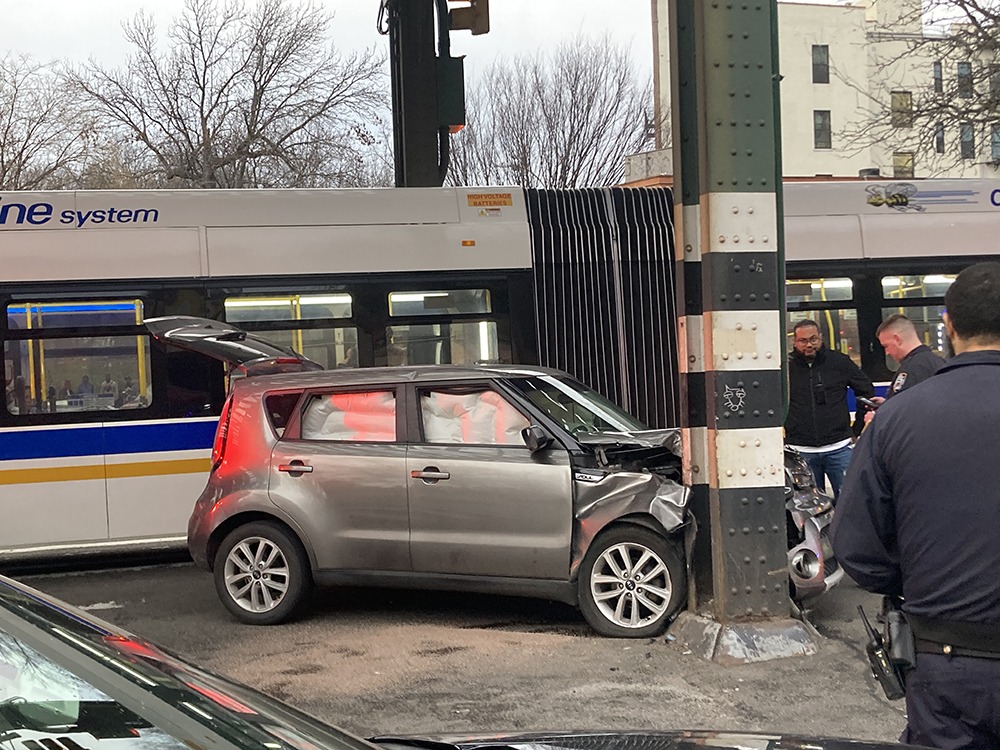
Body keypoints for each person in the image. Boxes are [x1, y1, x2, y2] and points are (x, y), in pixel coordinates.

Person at [831, 262, 1000, 749]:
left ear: (946, 326)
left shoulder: (898, 419)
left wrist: (922, 583)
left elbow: (855, 548)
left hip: (946, 664)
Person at [784, 319, 875, 500]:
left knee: (850, 503)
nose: (809, 344)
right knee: (807, 511)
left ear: (821, 338)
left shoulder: (839, 362)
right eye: (803, 341)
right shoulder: (786, 368)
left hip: (839, 447)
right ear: (794, 342)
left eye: (813, 339)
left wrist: (856, 428)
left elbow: (866, 391)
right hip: (799, 450)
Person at [873, 313, 945, 402]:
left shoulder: (909, 370)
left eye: (886, 346)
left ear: (897, 339)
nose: (887, 352)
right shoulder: (940, 362)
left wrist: (877, 415)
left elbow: (901, 409)